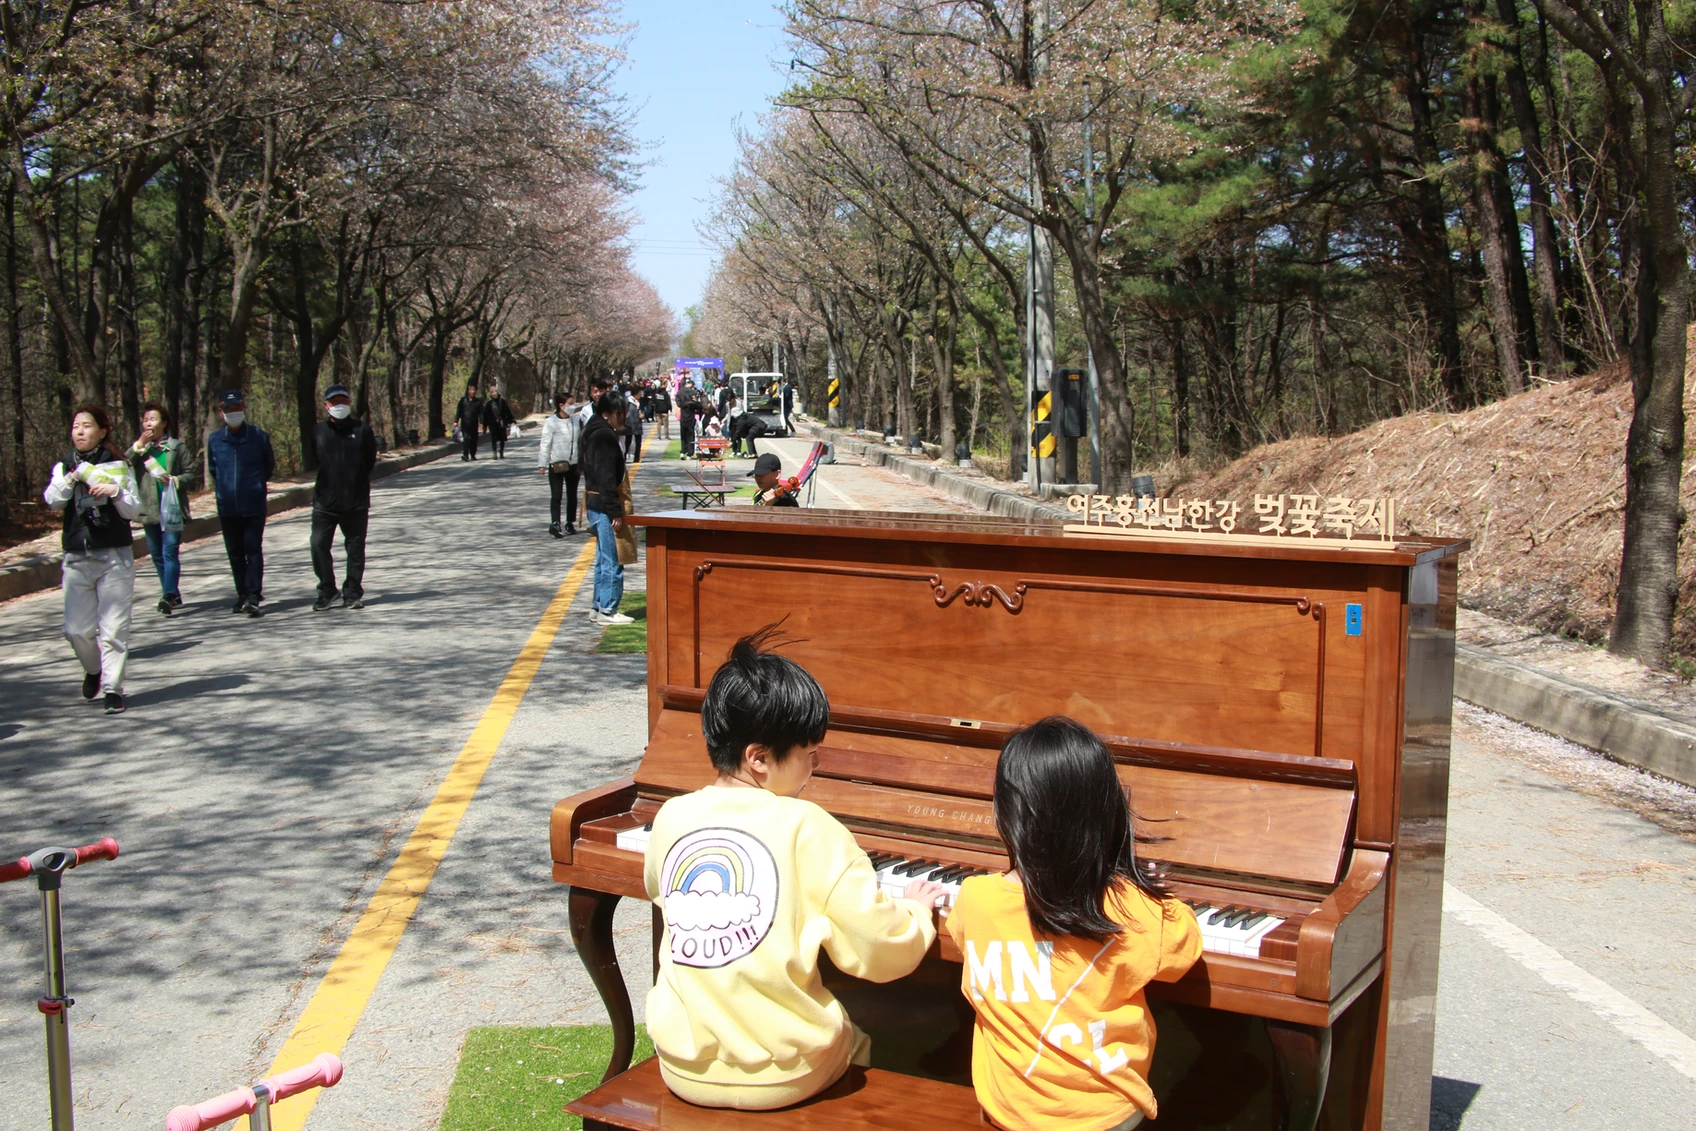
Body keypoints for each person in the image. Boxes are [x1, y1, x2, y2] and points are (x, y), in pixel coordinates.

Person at [645, 629, 943, 1110]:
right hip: (784, 1077)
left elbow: (661, 892)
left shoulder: (672, 816)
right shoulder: (807, 825)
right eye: (810, 754)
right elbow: (879, 948)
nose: (816, 766)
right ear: (759, 758)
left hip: (682, 1067)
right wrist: (917, 916)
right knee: (865, 1042)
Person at [946, 716, 1201, 1131]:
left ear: (1007, 812)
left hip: (1008, 1114)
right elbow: (1184, 949)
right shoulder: (1136, 911)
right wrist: (1149, 890)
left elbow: (964, 936)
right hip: (1104, 1118)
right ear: (1105, 809)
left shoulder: (976, 899)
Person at [44, 405, 141, 714]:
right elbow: (53, 500)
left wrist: (115, 491)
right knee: (75, 630)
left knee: (113, 630)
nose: (80, 431)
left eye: (87, 426)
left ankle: (113, 689)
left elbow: (133, 510)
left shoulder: (118, 465)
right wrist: (73, 477)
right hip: (77, 557)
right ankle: (94, 668)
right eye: (76, 426)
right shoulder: (66, 466)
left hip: (114, 557)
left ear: (102, 431)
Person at [206, 390, 275, 617]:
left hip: (253, 504)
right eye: (228, 409)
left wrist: (254, 485)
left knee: (252, 549)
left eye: (237, 408)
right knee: (235, 552)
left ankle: (254, 595)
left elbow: (268, 466)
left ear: (244, 409)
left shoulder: (258, 436)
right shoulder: (215, 440)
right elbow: (214, 470)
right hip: (227, 506)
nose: (233, 413)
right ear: (221, 412)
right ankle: (242, 594)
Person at [311, 384, 378, 611]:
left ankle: (352, 592)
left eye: (343, 401)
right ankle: (327, 589)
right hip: (324, 503)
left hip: (355, 501)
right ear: (326, 405)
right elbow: (314, 461)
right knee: (318, 544)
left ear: (349, 404)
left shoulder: (362, 430)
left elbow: (369, 460)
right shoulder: (318, 431)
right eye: (334, 402)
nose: (339, 405)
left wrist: (355, 483)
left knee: (355, 549)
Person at [128, 401, 193, 617]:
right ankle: (172, 593)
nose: (148, 423)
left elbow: (191, 474)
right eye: (145, 420)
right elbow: (124, 463)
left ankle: (169, 596)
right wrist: (139, 444)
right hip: (150, 509)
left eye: (153, 419)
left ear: (164, 423)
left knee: (170, 552)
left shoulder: (176, 447)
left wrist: (175, 481)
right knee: (157, 555)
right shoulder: (141, 450)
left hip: (172, 509)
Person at [581, 390, 633, 625]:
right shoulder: (603, 436)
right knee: (613, 559)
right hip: (603, 505)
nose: (622, 417)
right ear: (606, 413)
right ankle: (608, 608)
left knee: (603, 559)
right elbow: (606, 477)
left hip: (594, 502)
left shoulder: (593, 431)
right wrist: (615, 511)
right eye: (618, 413)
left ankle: (598, 605)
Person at [537, 391, 581, 538]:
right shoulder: (551, 422)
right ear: (561, 405)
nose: (572, 406)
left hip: (573, 463)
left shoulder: (576, 421)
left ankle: (570, 522)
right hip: (557, 464)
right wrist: (542, 463)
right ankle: (555, 522)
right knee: (556, 495)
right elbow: (545, 444)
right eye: (570, 403)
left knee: (572, 495)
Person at [455, 383, 483, 461]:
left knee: (474, 440)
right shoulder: (463, 400)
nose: (473, 392)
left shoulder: (478, 402)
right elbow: (458, 411)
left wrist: (482, 422)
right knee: (466, 439)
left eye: (474, 390)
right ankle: (465, 455)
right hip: (465, 424)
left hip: (474, 424)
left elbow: (481, 413)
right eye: (471, 390)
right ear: (468, 391)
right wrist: (456, 421)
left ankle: (473, 455)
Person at [483, 385, 513, 459]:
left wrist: (511, 420)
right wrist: (485, 425)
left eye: (495, 392)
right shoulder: (489, 403)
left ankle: (501, 451)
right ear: (491, 394)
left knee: (502, 438)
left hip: (501, 423)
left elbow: (507, 411)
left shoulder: (502, 401)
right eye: (492, 392)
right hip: (492, 424)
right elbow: (485, 415)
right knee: (493, 438)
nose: (494, 393)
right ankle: (494, 453)